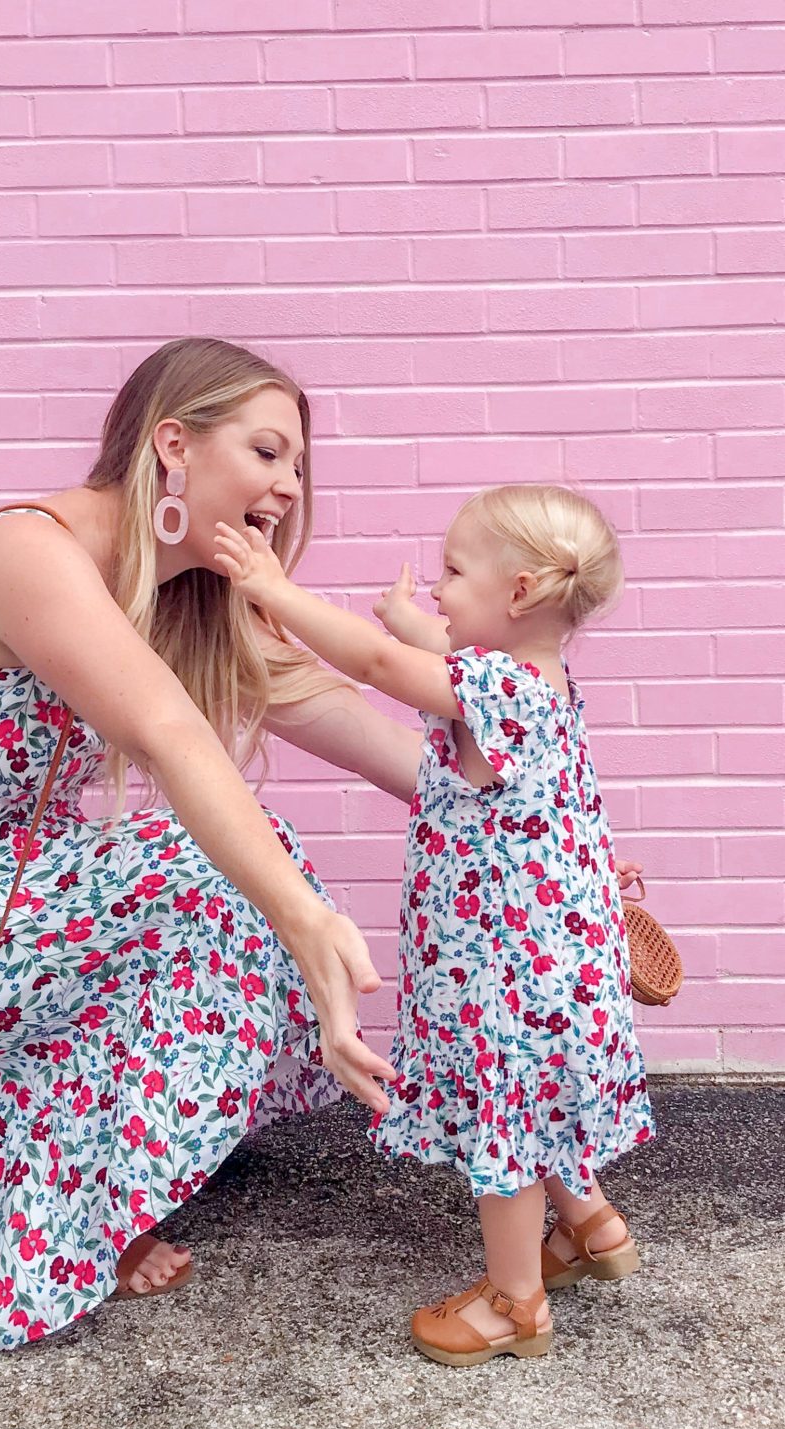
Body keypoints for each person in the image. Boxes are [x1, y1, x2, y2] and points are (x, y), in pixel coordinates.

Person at [0, 338, 425, 1350]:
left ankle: (85, 1189)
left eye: (300, 464)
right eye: (266, 451)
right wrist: (305, 918)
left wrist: (546, 838)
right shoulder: (28, 551)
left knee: (227, 867)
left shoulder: (180, 601)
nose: (290, 486)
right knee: (219, 873)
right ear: (173, 446)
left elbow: (367, 736)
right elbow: (169, 730)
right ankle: (71, 1207)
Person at [213, 483, 654, 1367]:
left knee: (511, 1138)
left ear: (520, 591)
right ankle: (592, 1228)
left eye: (454, 572)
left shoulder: (491, 687)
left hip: (510, 980)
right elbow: (432, 657)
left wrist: (275, 591)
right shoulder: (539, 683)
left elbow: (381, 667)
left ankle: (516, 1302)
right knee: (539, 1113)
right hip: (555, 966)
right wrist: (408, 619)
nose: (439, 591)